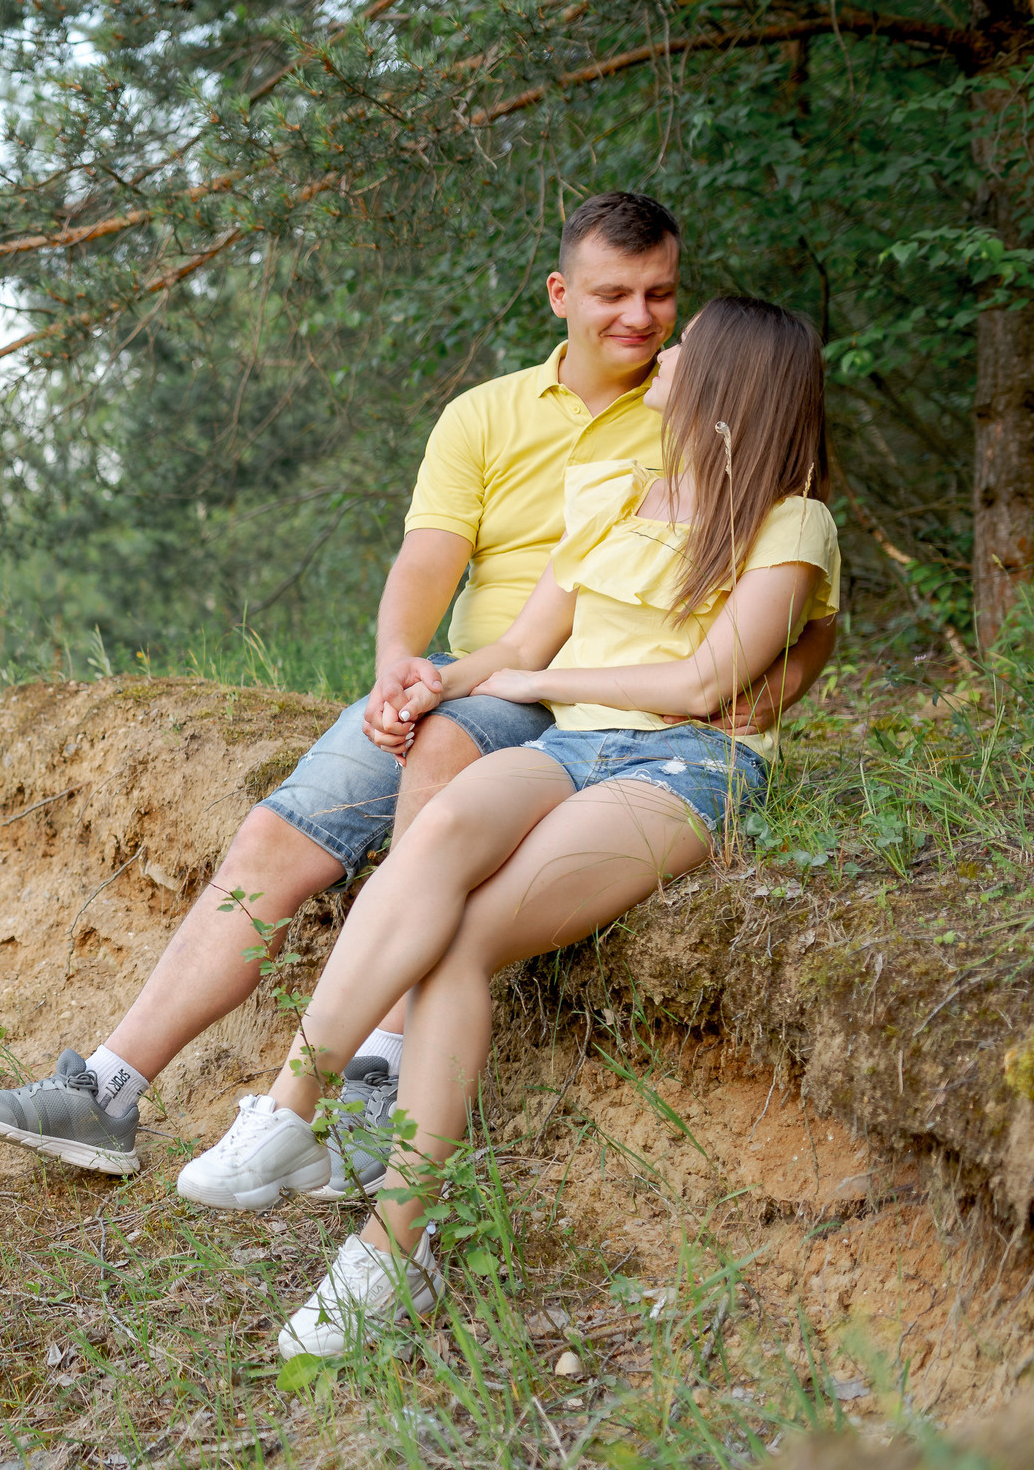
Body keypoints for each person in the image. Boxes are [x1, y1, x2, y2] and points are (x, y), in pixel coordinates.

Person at [0, 194, 836, 1191]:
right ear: (560, 294)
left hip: (581, 700)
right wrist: (399, 670)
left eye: (660, 295)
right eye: (611, 294)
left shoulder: (706, 413)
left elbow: (787, 586)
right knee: (282, 831)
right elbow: (428, 559)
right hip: (495, 671)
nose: (639, 317)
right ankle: (106, 1087)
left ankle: (380, 1068)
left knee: (450, 748)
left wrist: (773, 685)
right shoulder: (489, 414)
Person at [251, 294, 842, 1356]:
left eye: (683, 343)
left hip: (687, 761)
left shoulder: (791, 521)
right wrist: (442, 677)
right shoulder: (617, 486)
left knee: (467, 938)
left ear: (725, 384)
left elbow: (711, 677)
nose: (659, 349)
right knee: (428, 842)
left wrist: (545, 676)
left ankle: (394, 1249)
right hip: (569, 745)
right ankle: (288, 1114)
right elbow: (527, 638)